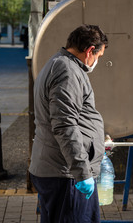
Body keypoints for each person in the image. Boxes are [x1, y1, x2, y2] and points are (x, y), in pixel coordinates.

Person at [29, 24, 108, 223]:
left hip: (59, 169)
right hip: (65, 174)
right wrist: (82, 172)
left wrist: (94, 138)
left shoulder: (59, 64)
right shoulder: (67, 70)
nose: (96, 62)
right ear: (90, 50)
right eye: (98, 57)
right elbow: (64, 125)